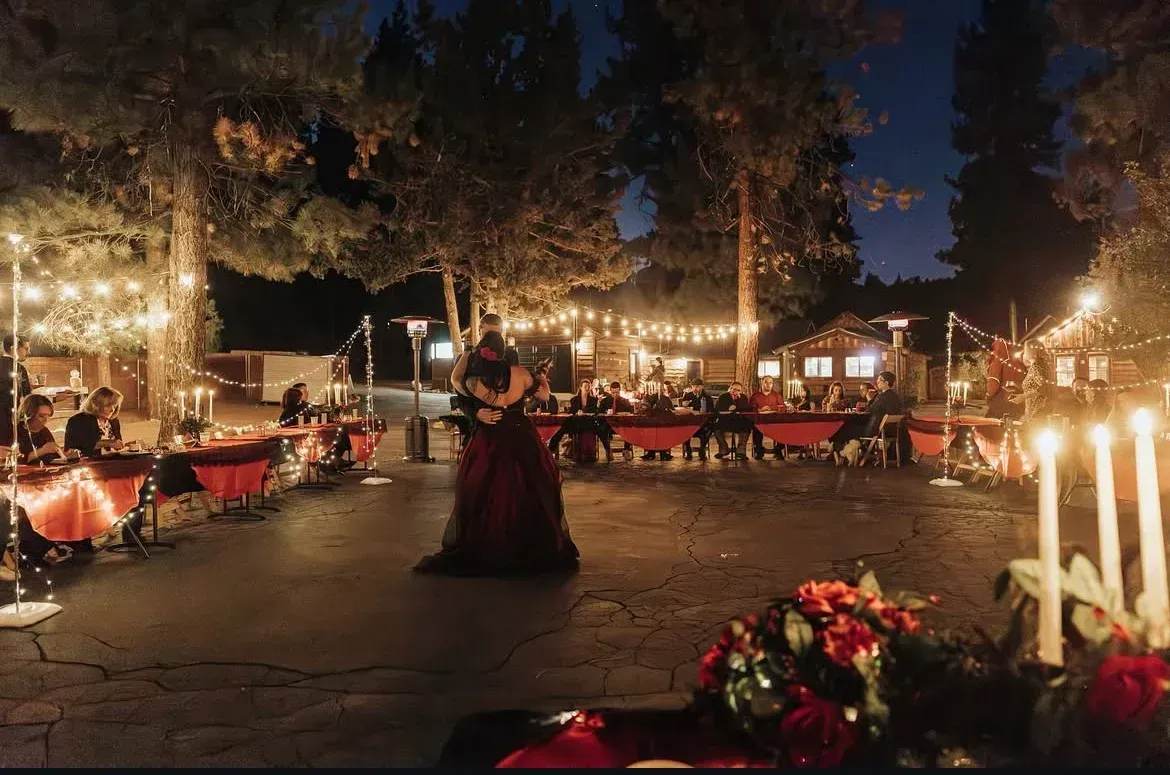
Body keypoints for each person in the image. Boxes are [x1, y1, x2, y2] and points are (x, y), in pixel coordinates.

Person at [415, 319, 577, 576]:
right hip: (520, 433)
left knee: (484, 488)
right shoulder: (521, 373)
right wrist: (541, 377)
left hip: (490, 436)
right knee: (529, 486)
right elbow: (545, 396)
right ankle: (528, 542)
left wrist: (468, 361)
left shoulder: (474, 379)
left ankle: (489, 542)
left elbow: (457, 381)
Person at [0, 394, 79, 464]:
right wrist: (42, 450)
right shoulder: (13, 431)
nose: (46, 420)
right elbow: (14, 460)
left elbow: (52, 455)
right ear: (29, 414)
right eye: (41, 416)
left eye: (48, 416)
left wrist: (65, 454)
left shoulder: (44, 431)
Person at [64, 386, 126, 458]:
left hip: (112, 462)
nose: (112, 410)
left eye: (114, 406)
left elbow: (117, 445)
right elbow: (76, 449)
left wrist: (121, 446)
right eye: (108, 406)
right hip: (87, 463)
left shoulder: (114, 421)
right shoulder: (78, 420)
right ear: (96, 404)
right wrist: (106, 443)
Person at [1010, 340, 1054, 424]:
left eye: (1025, 350)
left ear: (1031, 351)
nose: (1024, 353)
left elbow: (1044, 388)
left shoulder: (1036, 366)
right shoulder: (1042, 365)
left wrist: (1023, 396)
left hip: (1037, 412)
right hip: (1039, 411)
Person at [0, 334, 32, 430]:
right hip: (10, 420)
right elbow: (27, 397)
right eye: (26, 349)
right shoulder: (18, 369)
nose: (28, 352)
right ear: (13, 348)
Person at [749, 376, 786, 460]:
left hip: (774, 421)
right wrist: (760, 409)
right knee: (756, 429)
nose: (768, 385)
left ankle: (778, 450)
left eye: (770, 383)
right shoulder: (755, 396)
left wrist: (772, 408)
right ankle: (759, 451)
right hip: (760, 421)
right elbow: (751, 408)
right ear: (761, 383)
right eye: (766, 382)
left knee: (784, 429)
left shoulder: (777, 395)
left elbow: (783, 407)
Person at [714, 381, 752, 459]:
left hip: (739, 420)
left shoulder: (743, 397)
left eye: (738, 390)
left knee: (747, 425)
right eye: (734, 389)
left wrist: (738, 402)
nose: (736, 391)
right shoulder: (723, 396)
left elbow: (746, 409)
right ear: (730, 388)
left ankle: (740, 452)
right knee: (715, 428)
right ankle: (724, 449)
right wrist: (728, 408)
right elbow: (717, 409)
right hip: (725, 420)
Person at [598, 381, 634, 461]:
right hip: (609, 424)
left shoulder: (625, 401)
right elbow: (600, 413)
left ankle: (626, 449)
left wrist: (624, 414)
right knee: (600, 430)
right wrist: (606, 413)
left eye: (617, 392)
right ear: (610, 391)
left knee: (630, 429)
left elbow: (630, 413)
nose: (615, 394)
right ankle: (608, 449)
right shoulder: (605, 401)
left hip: (621, 424)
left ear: (620, 391)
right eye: (613, 392)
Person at [679, 378, 713, 460]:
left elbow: (711, 409)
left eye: (697, 386)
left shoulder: (707, 397)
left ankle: (702, 449)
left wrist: (705, 411)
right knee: (684, 429)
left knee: (710, 428)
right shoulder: (687, 395)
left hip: (702, 421)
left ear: (702, 387)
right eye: (693, 386)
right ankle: (688, 451)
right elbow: (682, 409)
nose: (695, 388)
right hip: (690, 421)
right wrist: (684, 405)